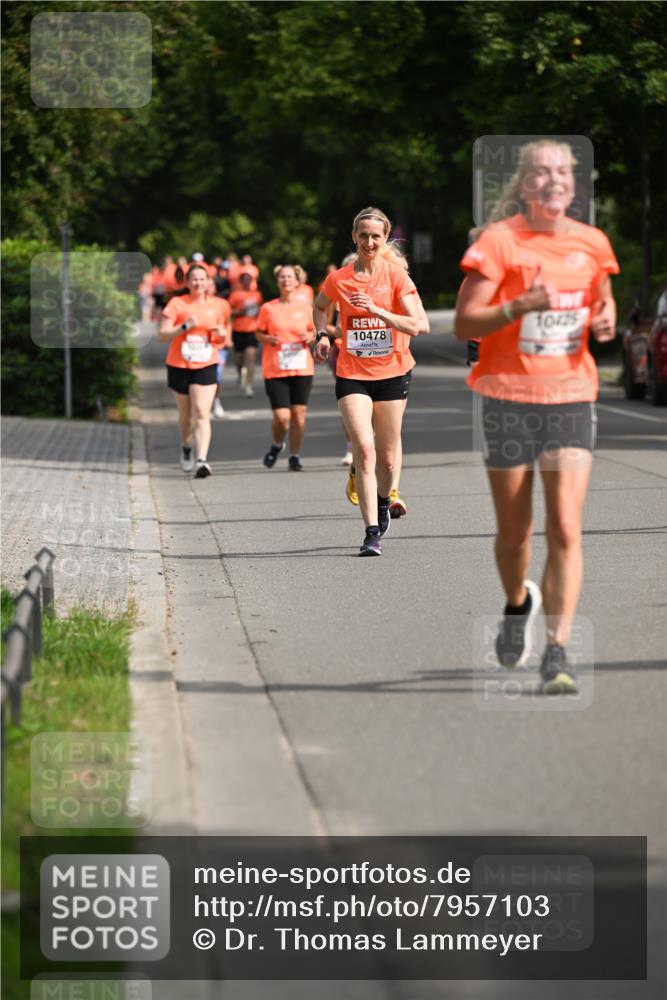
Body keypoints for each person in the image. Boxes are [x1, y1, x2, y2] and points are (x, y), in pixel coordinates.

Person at [455, 138, 619, 694]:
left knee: (566, 526)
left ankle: (557, 650)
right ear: (525, 186)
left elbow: (601, 299)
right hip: (507, 399)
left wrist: (604, 319)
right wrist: (518, 306)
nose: (553, 180)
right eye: (541, 173)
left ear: (574, 184)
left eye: (562, 172)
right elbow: (466, 323)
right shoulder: (499, 242)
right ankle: (516, 602)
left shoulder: (592, 243)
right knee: (515, 532)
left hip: (571, 395)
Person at [313, 207, 429, 556]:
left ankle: (383, 500)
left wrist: (377, 310)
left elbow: (419, 325)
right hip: (352, 373)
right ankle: (371, 531)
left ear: (385, 238)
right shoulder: (338, 279)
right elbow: (319, 306)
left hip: (392, 373)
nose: (369, 241)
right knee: (364, 450)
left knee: (388, 460)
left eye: (375, 236)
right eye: (363, 235)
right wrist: (321, 334)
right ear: (354, 236)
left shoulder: (396, 277)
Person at [159, 263, 232, 478]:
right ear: (187, 282)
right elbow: (162, 334)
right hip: (179, 364)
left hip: (207, 362)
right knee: (186, 416)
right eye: (194, 279)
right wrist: (184, 327)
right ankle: (185, 446)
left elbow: (224, 335)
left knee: (201, 411)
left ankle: (202, 460)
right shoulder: (177, 303)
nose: (198, 283)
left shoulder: (220, 305)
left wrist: (221, 335)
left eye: (202, 279)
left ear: (208, 282)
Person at [256, 264, 316, 471]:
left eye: (290, 277)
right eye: (282, 277)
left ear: (297, 281)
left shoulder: (306, 308)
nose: (286, 280)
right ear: (277, 281)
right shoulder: (268, 308)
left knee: (298, 416)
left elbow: (315, 332)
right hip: (275, 367)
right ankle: (277, 444)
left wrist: (309, 336)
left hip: (301, 367)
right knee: (282, 417)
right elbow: (258, 333)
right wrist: (267, 338)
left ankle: (294, 456)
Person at [228, 271, 263, 397]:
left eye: (249, 279)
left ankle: (249, 386)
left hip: (252, 330)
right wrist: (239, 312)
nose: (247, 282)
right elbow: (228, 312)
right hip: (238, 330)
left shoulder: (257, 295)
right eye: (245, 280)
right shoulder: (235, 295)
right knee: (239, 359)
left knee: (251, 358)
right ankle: (239, 373)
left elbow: (261, 310)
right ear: (241, 282)